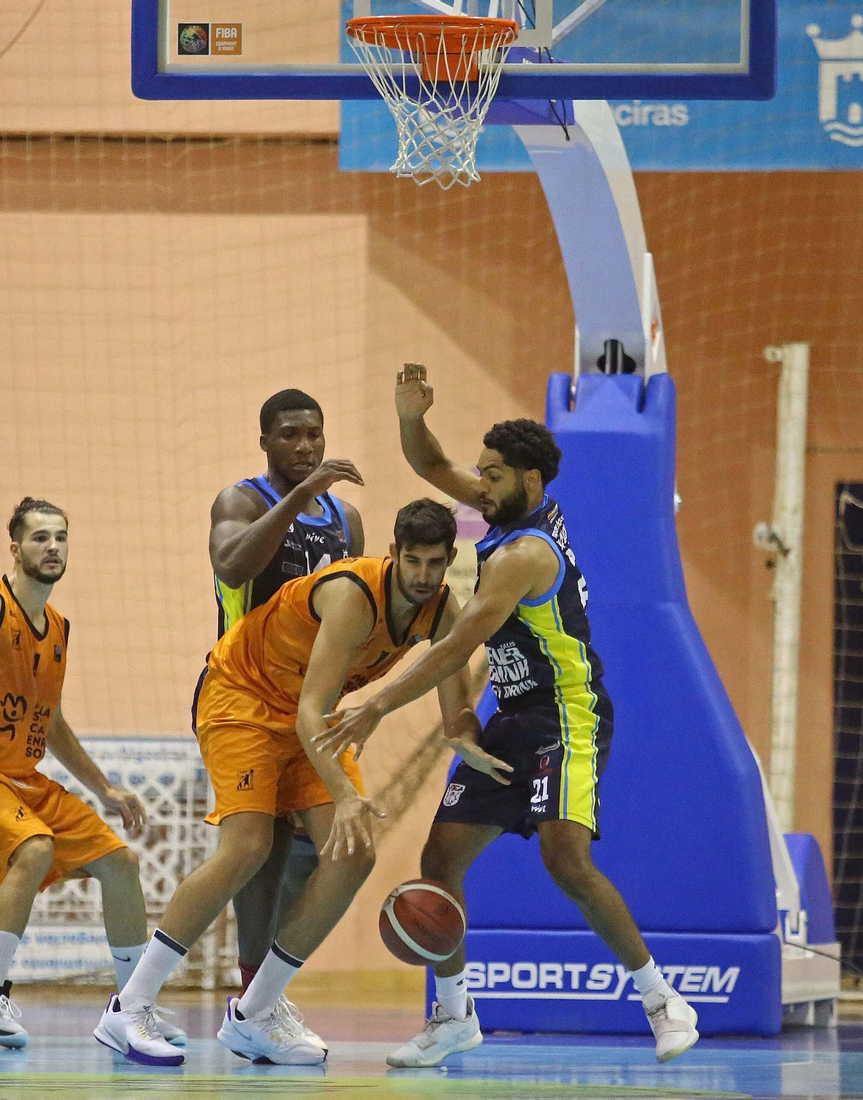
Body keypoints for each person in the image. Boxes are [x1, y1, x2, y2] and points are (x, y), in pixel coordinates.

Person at [320, 364, 702, 1067]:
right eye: (483, 472)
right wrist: (409, 415)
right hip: (516, 713)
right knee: (441, 856)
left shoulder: (523, 553)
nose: (479, 483)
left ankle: (662, 1000)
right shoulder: (506, 507)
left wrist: (375, 705)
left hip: (566, 713)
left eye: (492, 475)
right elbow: (430, 460)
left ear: (530, 481)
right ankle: (455, 1016)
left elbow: (455, 646)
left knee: (565, 857)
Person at [96, 500, 505, 1067]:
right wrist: (345, 794)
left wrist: (465, 736)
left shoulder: (439, 609)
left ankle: (256, 1011)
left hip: (305, 722)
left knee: (354, 854)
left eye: (435, 563)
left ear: (448, 560)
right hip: (243, 699)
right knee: (247, 847)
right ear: (393, 555)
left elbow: (453, 691)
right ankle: (129, 1005)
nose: (422, 575)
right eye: (412, 561)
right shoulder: (352, 598)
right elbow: (313, 711)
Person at [0, 497, 174, 1049]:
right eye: (39, 538)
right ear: (16, 548)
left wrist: (105, 788)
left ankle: (130, 1008)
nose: (52, 547)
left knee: (121, 864)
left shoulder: (57, 627)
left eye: (60, 537)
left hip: (19, 777)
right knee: (34, 849)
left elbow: (49, 723)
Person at [209, 388, 363, 1041]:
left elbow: (354, 610)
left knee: (344, 846)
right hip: (248, 697)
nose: (306, 446)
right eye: (292, 435)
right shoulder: (240, 500)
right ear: (266, 440)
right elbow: (231, 561)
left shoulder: (347, 518)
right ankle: (253, 997)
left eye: (315, 435)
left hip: (317, 705)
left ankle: (267, 991)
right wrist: (298, 499)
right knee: (254, 853)